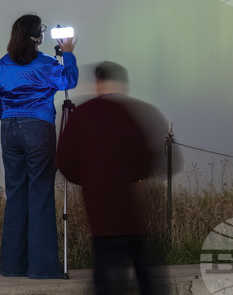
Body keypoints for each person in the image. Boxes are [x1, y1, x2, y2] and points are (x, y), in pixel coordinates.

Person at [56, 61, 175, 295]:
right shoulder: (133, 113)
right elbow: (148, 160)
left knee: (105, 280)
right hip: (131, 214)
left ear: (98, 83)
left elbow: (64, 159)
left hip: (99, 215)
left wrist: (88, 179)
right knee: (146, 278)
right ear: (121, 83)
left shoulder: (82, 115)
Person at [0, 13, 78, 279]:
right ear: (38, 38)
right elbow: (69, 80)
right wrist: (68, 52)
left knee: (16, 195)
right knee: (40, 194)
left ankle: (12, 266)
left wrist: (10, 120)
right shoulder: (47, 64)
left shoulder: (1, 66)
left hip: (9, 128)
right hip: (38, 128)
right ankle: (42, 268)